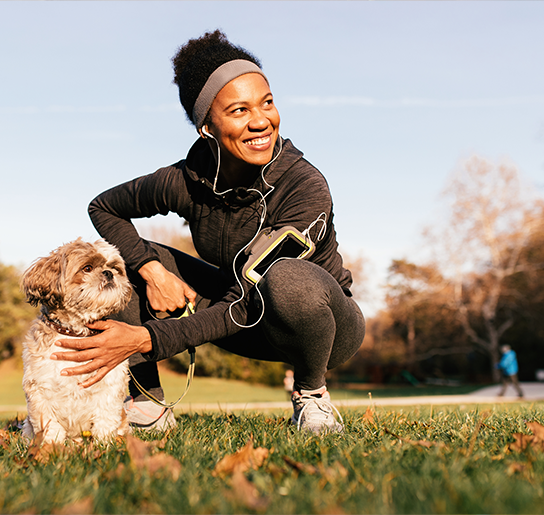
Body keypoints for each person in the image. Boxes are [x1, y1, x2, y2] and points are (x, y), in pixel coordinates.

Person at [50, 30, 366, 434]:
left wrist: (146, 338)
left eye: (267, 103)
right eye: (238, 110)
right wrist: (152, 270)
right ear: (207, 128)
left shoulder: (304, 187)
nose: (261, 121)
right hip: (240, 321)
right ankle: (147, 404)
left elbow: (247, 298)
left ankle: (312, 397)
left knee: (288, 280)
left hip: (321, 329)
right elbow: (104, 207)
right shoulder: (186, 180)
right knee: (128, 261)